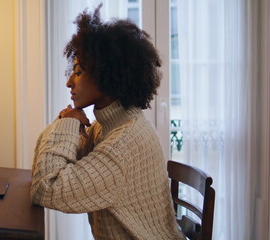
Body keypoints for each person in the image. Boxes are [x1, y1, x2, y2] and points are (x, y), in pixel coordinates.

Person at [30, 4, 185, 240]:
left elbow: (47, 188)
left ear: (107, 74)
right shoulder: (107, 126)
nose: (69, 82)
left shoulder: (126, 141)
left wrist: (67, 123)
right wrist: (66, 120)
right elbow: (44, 169)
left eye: (79, 72)